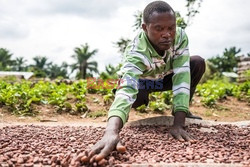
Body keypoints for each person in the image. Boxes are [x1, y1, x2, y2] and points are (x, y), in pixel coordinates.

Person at [83, 0, 205, 164]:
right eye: (159, 29)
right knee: (134, 98)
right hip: (143, 83)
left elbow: (182, 75)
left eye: (171, 28)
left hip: (165, 78)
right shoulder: (136, 52)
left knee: (197, 63)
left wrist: (178, 123)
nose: (167, 34)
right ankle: (129, 106)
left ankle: (183, 110)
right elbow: (128, 87)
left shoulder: (180, 37)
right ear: (145, 28)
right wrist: (110, 132)